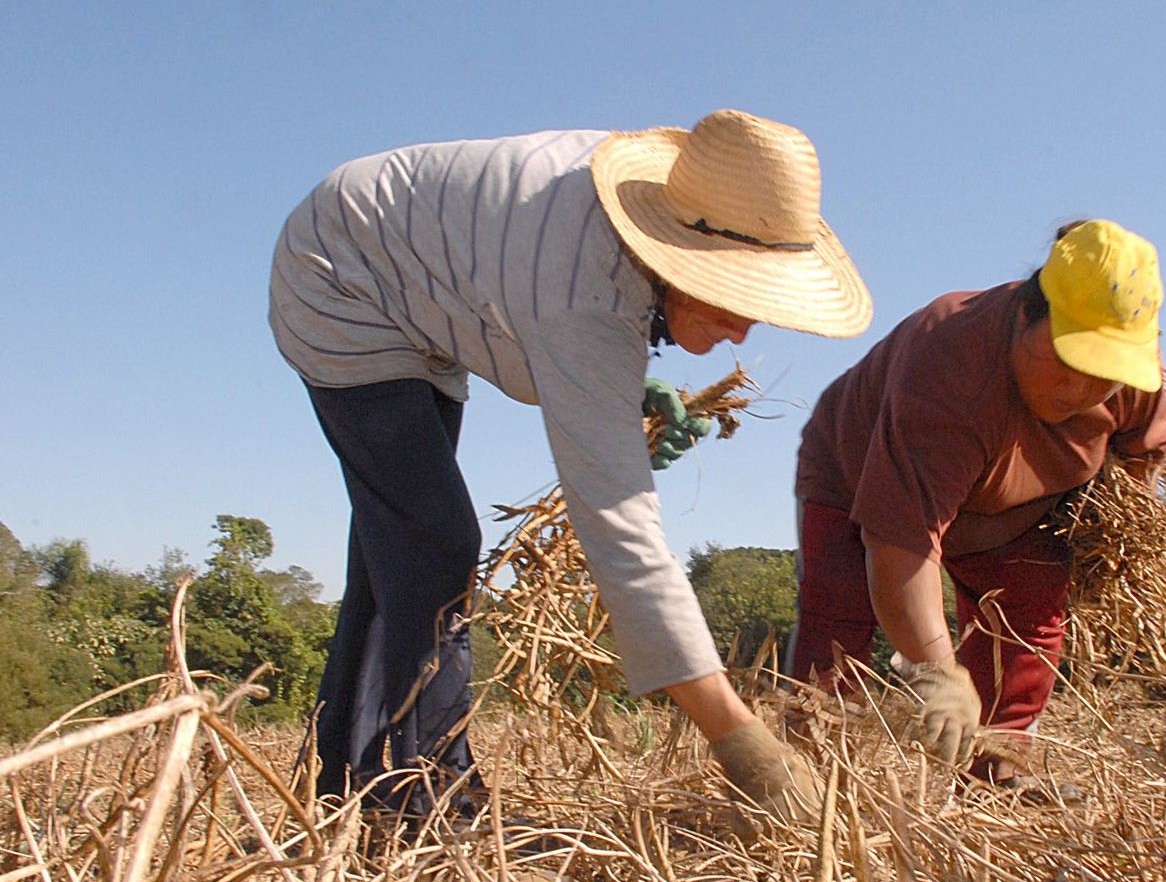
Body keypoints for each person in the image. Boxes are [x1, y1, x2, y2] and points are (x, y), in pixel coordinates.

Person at [269, 109, 872, 823]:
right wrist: (742, 742)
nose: (746, 327)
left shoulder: (648, 222)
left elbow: (556, 317)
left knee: (395, 556)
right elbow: (620, 530)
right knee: (432, 543)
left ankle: (350, 789)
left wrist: (623, 388)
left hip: (413, 274)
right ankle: (435, 805)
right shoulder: (581, 289)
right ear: (677, 253)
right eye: (737, 296)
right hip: (342, 277)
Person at [786, 220, 1166, 787]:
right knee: (837, 619)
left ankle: (1001, 770)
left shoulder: (1135, 377)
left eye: (1104, 376)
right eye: (1067, 360)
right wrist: (936, 671)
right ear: (1026, 314)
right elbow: (901, 544)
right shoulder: (950, 363)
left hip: (1017, 507)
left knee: (1027, 626)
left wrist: (1108, 535)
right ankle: (805, 772)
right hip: (855, 478)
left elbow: (1141, 456)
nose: (1079, 391)